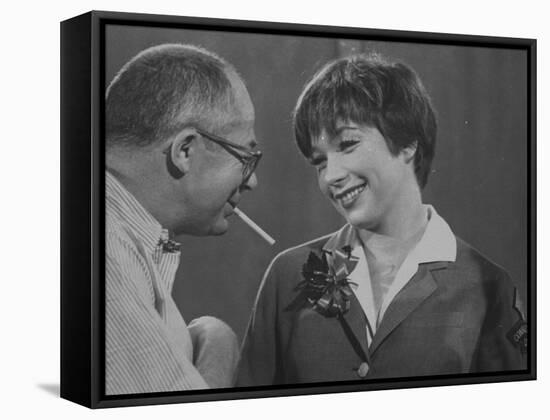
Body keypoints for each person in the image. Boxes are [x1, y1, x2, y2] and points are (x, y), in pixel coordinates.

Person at [236, 53, 527, 386]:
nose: (331, 175)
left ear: (407, 143)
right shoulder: (285, 276)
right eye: (319, 162)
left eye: (347, 144)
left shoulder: (488, 285)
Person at [105, 44, 261, 394]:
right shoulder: (105, 254)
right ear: (185, 150)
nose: (252, 181)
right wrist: (218, 341)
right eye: (246, 157)